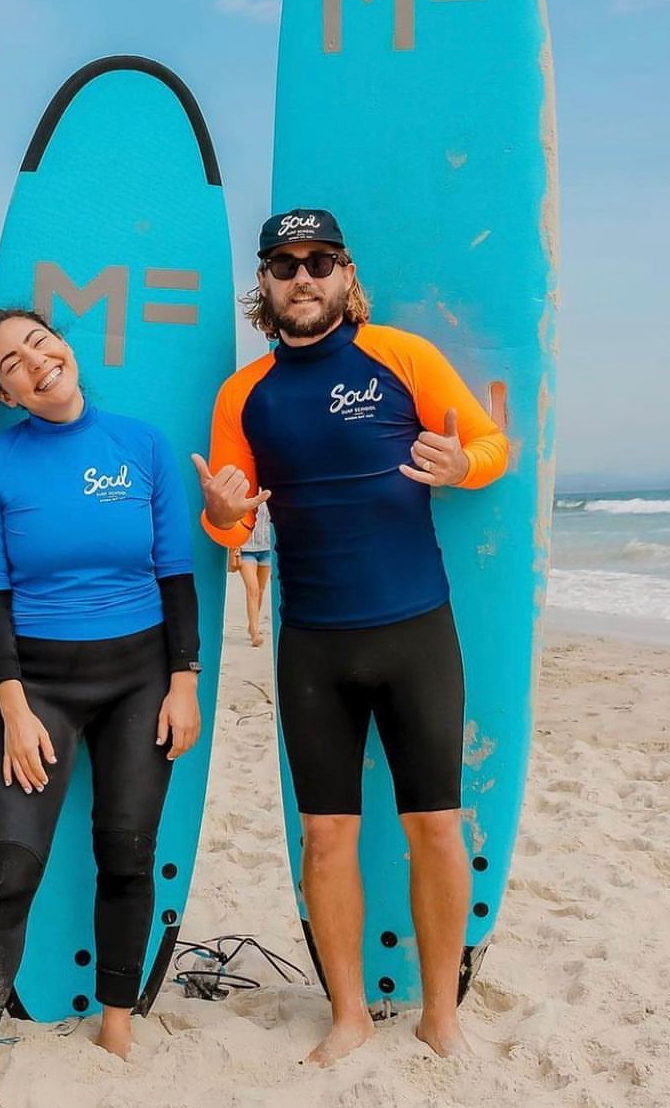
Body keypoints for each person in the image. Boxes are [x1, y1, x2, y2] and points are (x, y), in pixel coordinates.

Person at [193, 208, 508, 1067]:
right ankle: (349, 1013)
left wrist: (464, 464)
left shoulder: (400, 356)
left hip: (415, 632)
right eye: (285, 264)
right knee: (325, 835)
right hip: (316, 645)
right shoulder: (244, 393)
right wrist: (222, 514)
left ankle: (441, 1011)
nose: (304, 277)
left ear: (345, 274)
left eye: (319, 261)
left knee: (436, 826)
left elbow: (488, 442)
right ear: (263, 282)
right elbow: (229, 517)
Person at [0, 308, 202, 1108]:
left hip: (140, 682)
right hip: (38, 687)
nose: (36, 362)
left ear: (66, 345)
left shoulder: (142, 444)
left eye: (40, 343)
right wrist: (13, 707)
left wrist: (184, 681)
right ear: (2, 391)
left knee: (126, 851)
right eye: (12, 362)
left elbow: (177, 576)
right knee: (6, 871)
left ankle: (118, 1018)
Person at [230, 499, 272, 647]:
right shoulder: (248, 488)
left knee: (260, 591)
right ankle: (255, 631)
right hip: (246, 548)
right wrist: (234, 546)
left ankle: (252, 624)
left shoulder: (270, 490)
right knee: (252, 589)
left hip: (266, 547)